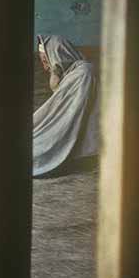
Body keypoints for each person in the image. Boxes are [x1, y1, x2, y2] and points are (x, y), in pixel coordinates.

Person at [33, 35, 99, 177]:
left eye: (46, 60)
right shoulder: (75, 74)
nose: (45, 67)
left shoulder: (83, 73)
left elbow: (66, 116)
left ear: (59, 55)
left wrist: (55, 76)